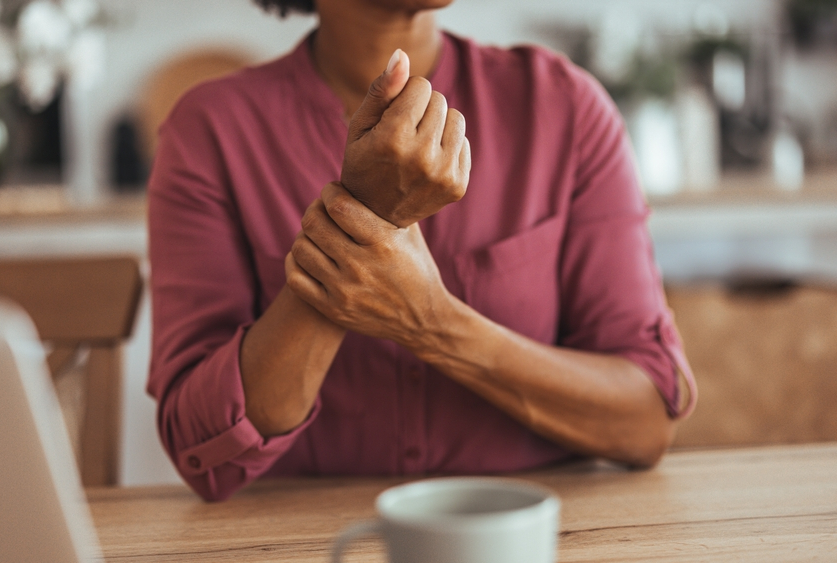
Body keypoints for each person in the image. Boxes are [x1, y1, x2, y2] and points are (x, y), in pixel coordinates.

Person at [147, 0, 697, 502]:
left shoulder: (563, 107)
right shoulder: (209, 132)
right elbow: (203, 449)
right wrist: (369, 207)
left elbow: (645, 419)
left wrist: (433, 322)